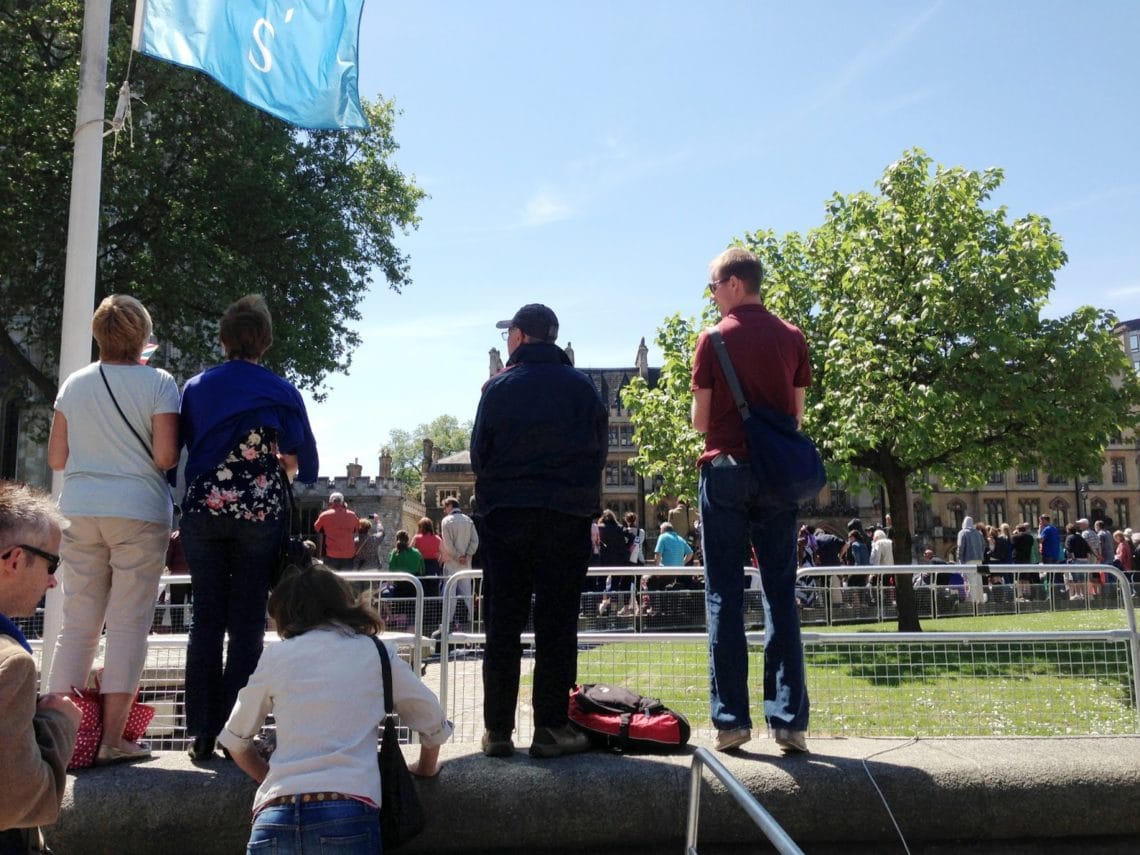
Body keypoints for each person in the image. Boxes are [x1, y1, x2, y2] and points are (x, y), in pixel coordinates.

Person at [217, 564, 451, 854]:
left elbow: (236, 740)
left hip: (274, 816)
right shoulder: (374, 651)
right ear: (343, 603)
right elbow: (432, 718)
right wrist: (426, 767)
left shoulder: (276, 656)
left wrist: (270, 777)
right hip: (347, 809)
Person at [179, 294, 319, 762]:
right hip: (258, 511)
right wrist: (275, 461)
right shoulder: (280, 390)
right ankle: (236, 732)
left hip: (204, 507)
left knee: (205, 618)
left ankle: (199, 728)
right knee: (246, 624)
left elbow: (184, 446)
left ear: (223, 339)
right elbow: (304, 463)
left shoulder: (196, 387)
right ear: (265, 341)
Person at [44, 295, 180, 765]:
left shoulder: (74, 384)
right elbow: (165, 458)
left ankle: (58, 739)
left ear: (98, 336)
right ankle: (113, 739)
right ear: (142, 336)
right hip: (138, 511)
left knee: (76, 624)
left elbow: (57, 459)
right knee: (128, 625)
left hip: (79, 509)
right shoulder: (160, 383)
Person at [690, 247, 812, 755]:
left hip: (725, 472)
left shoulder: (713, 339)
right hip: (777, 477)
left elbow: (700, 422)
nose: (712, 295)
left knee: (724, 594)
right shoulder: (792, 337)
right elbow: (797, 418)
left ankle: (732, 722)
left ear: (735, 284)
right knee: (780, 594)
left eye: (714, 286)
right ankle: (788, 723)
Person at [473, 303, 607, 759]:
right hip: (565, 518)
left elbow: (479, 455)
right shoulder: (583, 388)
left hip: (507, 516)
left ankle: (497, 731)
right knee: (557, 625)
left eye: (510, 332)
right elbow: (598, 454)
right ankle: (550, 727)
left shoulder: (498, 387)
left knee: (503, 625)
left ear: (520, 336)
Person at [0, 483, 82, 853]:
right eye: (52, 563)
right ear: (14, 560)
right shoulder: (11, 664)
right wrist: (57, 723)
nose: (52, 580)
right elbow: (19, 803)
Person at [439, 497, 479, 634]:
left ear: (450, 505)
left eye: (445, 507)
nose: (444, 510)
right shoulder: (468, 520)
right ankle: (471, 623)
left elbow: (448, 544)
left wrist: (457, 556)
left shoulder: (446, 521)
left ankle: (448, 624)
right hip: (466, 564)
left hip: (452, 563)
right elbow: (475, 540)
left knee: (450, 594)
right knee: (467, 593)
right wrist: (467, 555)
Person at [314, 493, 357, 570]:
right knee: (347, 580)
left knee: (330, 580)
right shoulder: (353, 515)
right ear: (343, 503)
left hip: (331, 554)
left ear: (330, 503)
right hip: (348, 555)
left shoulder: (324, 515)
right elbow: (357, 528)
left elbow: (317, 528)